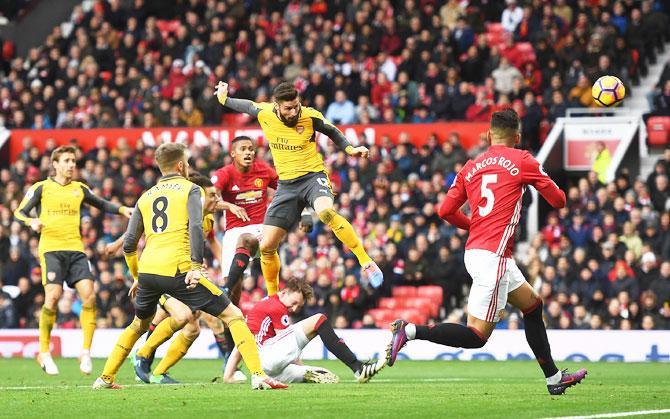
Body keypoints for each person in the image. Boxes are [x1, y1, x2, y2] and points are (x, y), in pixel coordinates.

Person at [386, 109, 588, 396]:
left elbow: (445, 211)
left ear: (489, 134)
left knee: (533, 305)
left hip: (481, 252)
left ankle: (554, 378)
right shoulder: (523, 160)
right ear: (517, 137)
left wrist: (474, 226)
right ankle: (410, 331)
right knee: (477, 336)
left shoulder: (472, 165)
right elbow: (559, 200)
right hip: (493, 257)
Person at [92, 142, 286, 390]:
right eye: (188, 162)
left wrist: (137, 275)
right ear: (181, 165)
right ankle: (258, 375)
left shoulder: (145, 196)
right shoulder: (191, 189)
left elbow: (129, 244)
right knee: (234, 315)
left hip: (149, 271)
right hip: (179, 269)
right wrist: (195, 265)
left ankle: (106, 377)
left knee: (138, 325)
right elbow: (196, 226)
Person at [214, 81, 383, 296]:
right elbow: (244, 105)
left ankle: (366, 261)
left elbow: (332, 131)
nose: (294, 111)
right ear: (276, 106)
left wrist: (351, 149)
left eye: (296, 106)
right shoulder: (265, 113)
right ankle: (273, 297)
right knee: (266, 246)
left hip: (313, 177)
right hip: (286, 186)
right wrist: (223, 98)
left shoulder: (309, 116)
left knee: (326, 212)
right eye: (288, 108)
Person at [105, 173, 237, 384]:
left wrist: (223, 270)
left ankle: (155, 371)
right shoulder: (180, 208)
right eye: (214, 196)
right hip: (162, 271)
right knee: (183, 317)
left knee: (192, 327)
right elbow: (138, 228)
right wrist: (118, 244)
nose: (218, 200)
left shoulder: (208, 220)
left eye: (219, 196)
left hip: (182, 273)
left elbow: (211, 241)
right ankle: (142, 356)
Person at [14, 145, 132, 376]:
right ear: (55, 164)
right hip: (51, 251)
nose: (71, 165)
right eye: (66, 160)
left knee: (89, 296)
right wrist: (32, 222)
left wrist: (121, 209)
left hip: (76, 250)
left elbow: (101, 203)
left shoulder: (79, 189)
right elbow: (20, 212)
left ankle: (85, 351)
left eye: (73, 161)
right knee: (54, 297)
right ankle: (44, 352)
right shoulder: (41, 188)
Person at [210, 135, 312, 360]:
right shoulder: (225, 174)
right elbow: (210, 200)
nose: (249, 152)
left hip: (261, 229)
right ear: (233, 153)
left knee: (246, 240)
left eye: (252, 149)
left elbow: (292, 188)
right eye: (243, 149)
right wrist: (229, 205)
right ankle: (230, 354)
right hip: (232, 233)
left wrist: (305, 212)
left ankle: (226, 287)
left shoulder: (264, 171)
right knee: (232, 303)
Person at [223, 277, 385, 384]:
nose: (293, 309)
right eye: (294, 302)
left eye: (298, 306)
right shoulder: (276, 306)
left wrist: (228, 375)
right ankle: (358, 368)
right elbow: (286, 345)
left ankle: (307, 373)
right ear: (285, 292)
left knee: (323, 375)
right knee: (319, 319)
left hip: (264, 368)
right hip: (268, 357)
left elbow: (242, 343)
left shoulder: (266, 304)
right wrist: (299, 363)